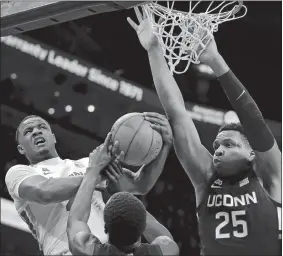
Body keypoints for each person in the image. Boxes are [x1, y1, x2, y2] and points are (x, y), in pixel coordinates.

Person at [128, 7, 281, 256]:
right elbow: (176, 113)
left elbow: (256, 124)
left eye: (229, 145)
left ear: (252, 153)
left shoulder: (271, 181)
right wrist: (154, 50)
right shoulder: (206, 179)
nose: (218, 150)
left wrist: (216, 61)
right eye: (217, 145)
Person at [5, 113, 173, 255]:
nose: (36, 132)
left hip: (108, 250)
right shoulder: (19, 172)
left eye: (42, 127)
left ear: (53, 137)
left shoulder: (88, 163)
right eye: (28, 131)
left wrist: (164, 145)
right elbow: (45, 192)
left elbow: (139, 185)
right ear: (21, 149)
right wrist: (96, 173)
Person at [67, 138, 179, 255]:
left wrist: (93, 171)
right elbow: (165, 238)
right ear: (142, 228)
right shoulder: (167, 251)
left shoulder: (89, 250)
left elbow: (76, 220)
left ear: (105, 227)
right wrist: (122, 195)